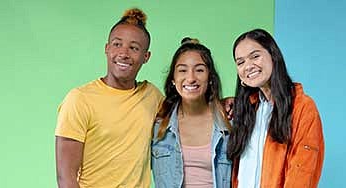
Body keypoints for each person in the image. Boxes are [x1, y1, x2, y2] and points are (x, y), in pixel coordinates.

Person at [55, 8, 163, 188]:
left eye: (134, 48)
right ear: (107, 48)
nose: (124, 53)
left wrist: (223, 103)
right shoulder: (79, 99)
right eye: (117, 44)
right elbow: (65, 178)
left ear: (146, 57)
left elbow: (188, 113)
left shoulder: (152, 96)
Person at [227, 29, 325, 188]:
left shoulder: (303, 108)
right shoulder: (246, 111)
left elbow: (303, 172)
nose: (248, 66)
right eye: (240, 62)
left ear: (273, 55)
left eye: (255, 56)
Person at [151, 37, 232, 188]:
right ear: (173, 79)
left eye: (199, 70)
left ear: (210, 79)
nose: (191, 78)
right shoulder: (158, 125)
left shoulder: (229, 123)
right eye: (182, 70)